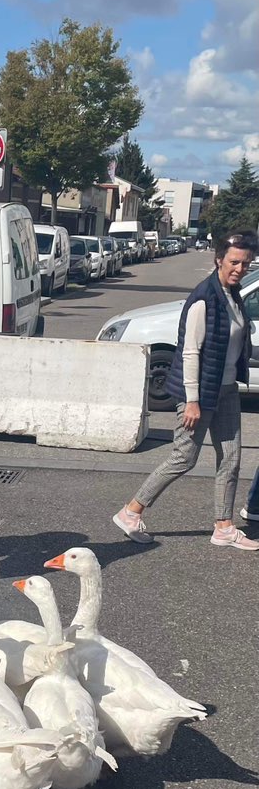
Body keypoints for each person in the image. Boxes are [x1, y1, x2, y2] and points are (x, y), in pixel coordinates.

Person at [113, 230, 259, 550]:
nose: (240, 268)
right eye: (234, 262)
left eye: (246, 264)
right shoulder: (205, 297)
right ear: (219, 259)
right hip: (200, 394)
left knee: (231, 458)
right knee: (183, 457)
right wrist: (191, 401)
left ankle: (223, 526)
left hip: (226, 390)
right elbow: (190, 351)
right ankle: (131, 511)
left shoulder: (232, 295)